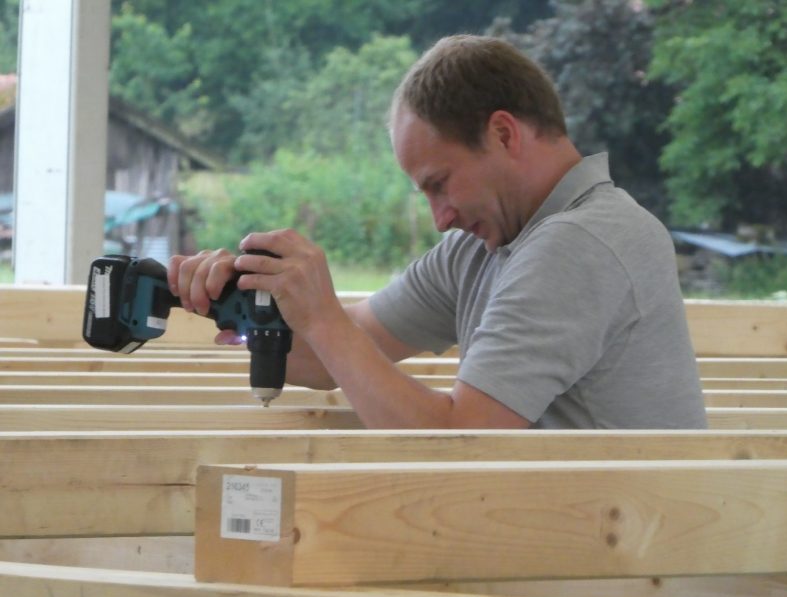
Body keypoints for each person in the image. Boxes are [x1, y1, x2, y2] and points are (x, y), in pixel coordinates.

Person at [168, 35, 707, 430]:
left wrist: (324, 319)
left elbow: (458, 439)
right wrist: (240, 306)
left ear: (503, 134)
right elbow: (334, 357)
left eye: (440, 184)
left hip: (623, 552)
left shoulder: (581, 242)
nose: (440, 218)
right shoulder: (480, 247)